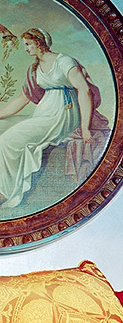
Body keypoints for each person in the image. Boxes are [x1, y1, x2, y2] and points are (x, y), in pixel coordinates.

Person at [0, 29, 107, 208]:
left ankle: (6, 190)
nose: (25, 48)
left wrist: (85, 127)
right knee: (4, 128)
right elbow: (22, 99)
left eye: (28, 44)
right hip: (44, 113)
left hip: (62, 114)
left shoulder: (64, 61)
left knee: (6, 140)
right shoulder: (34, 69)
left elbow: (84, 90)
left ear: (38, 42)